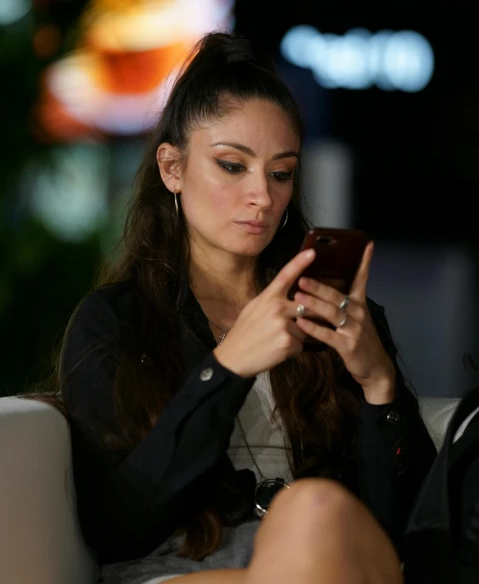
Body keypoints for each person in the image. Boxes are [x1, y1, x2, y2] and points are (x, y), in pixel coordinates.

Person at [38, 32, 436, 583]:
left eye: (281, 173)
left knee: (313, 512)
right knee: (310, 511)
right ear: (171, 169)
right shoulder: (117, 321)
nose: (263, 197)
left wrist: (379, 386)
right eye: (232, 166)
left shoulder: (332, 317)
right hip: (179, 569)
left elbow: (413, 535)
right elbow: (120, 527)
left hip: (327, 562)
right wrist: (224, 371)